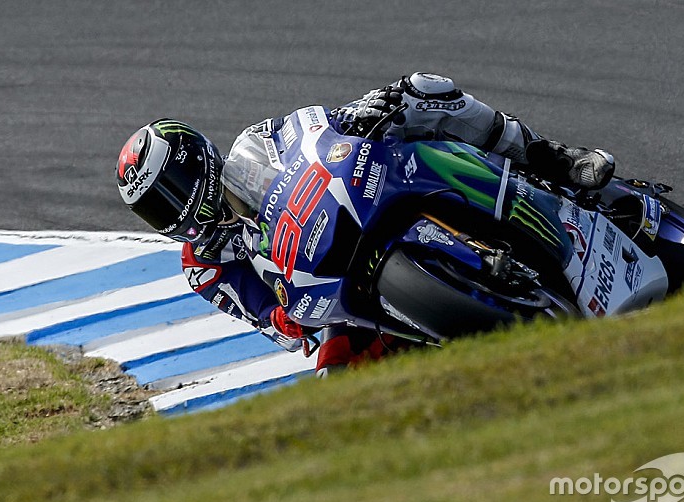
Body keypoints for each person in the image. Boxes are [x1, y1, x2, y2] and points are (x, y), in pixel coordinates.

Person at [115, 72, 615, 376]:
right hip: (323, 293)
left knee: (423, 91)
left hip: (350, 202)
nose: (176, 209)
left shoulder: (255, 144)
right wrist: (287, 319)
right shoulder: (203, 268)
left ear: (199, 158)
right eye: (158, 208)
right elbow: (271, 321)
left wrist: (357, 115)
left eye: (173, 188)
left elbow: (313, 128)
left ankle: (548, 156)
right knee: (334, 385)